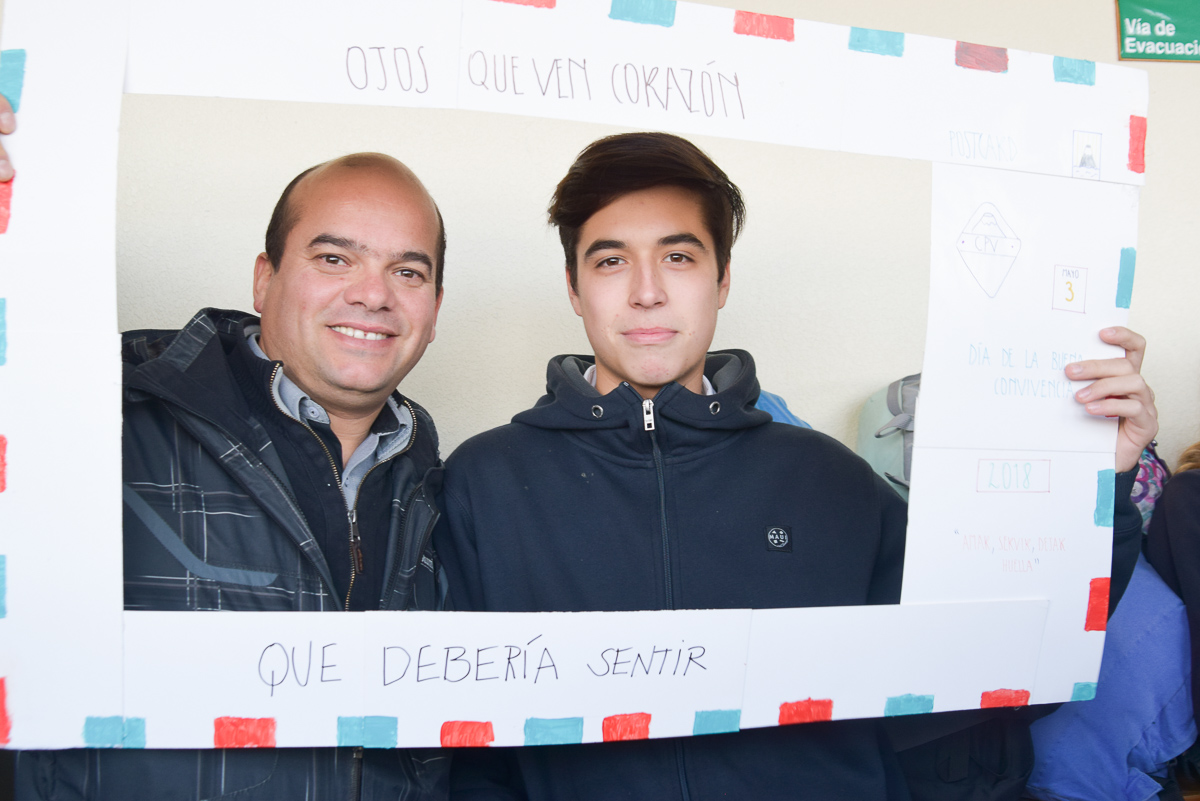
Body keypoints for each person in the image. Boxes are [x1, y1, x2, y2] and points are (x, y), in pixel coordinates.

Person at [433, 131, 1160, 800]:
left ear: (722, 280)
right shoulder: (485, 483)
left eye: (679, 257)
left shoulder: (830, 480)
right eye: (611, 260)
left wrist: (1093, 482)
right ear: (573, 286)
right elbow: (464, 747)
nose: (647, 290)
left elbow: (1000, 656)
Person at [17, 153, 451, 799]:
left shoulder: (445, 490)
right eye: (334, 258)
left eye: (407, 271)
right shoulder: (82, 416)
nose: (373, 294)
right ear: (264, 279)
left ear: (435, 308)